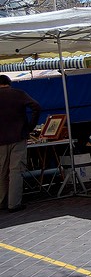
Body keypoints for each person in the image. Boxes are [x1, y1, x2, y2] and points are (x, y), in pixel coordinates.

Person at [0, 74, 41, 212]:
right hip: (18, 136)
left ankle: (2, 202)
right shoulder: (18, 94)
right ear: (9, 83)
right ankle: (14, 203)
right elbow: (36, 106)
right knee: (16, 171)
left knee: (2, 171)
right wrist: (29, 126)